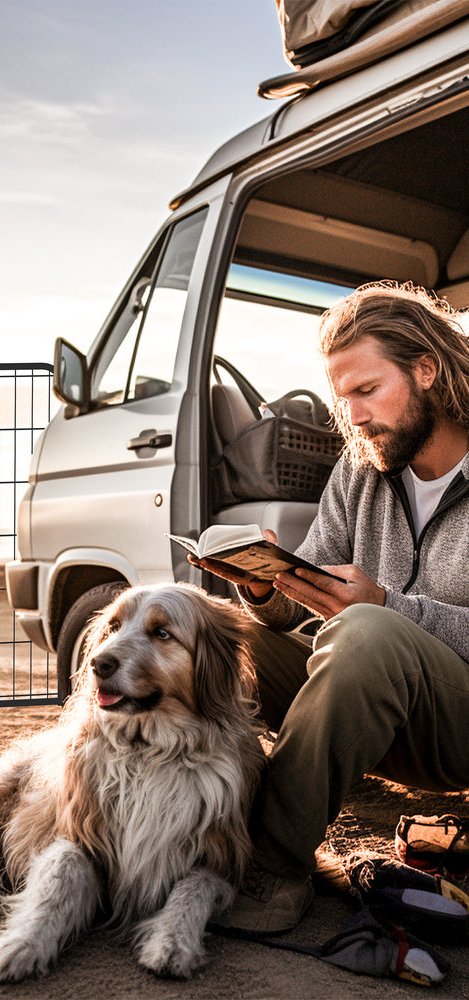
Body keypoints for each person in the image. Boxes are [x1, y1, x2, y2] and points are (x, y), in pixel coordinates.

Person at [195, 281, 469, 935]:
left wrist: (386, 606)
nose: (350, 415)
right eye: (339, 397)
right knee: (213, 633)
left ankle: (271, 865)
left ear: (425, 370)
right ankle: (169, 832)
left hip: (456, 723)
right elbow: (310, 597)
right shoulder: (361, 465)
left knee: (369, 630)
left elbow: (370, 620)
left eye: (366, 391)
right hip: (365, 691)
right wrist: (264, 588)